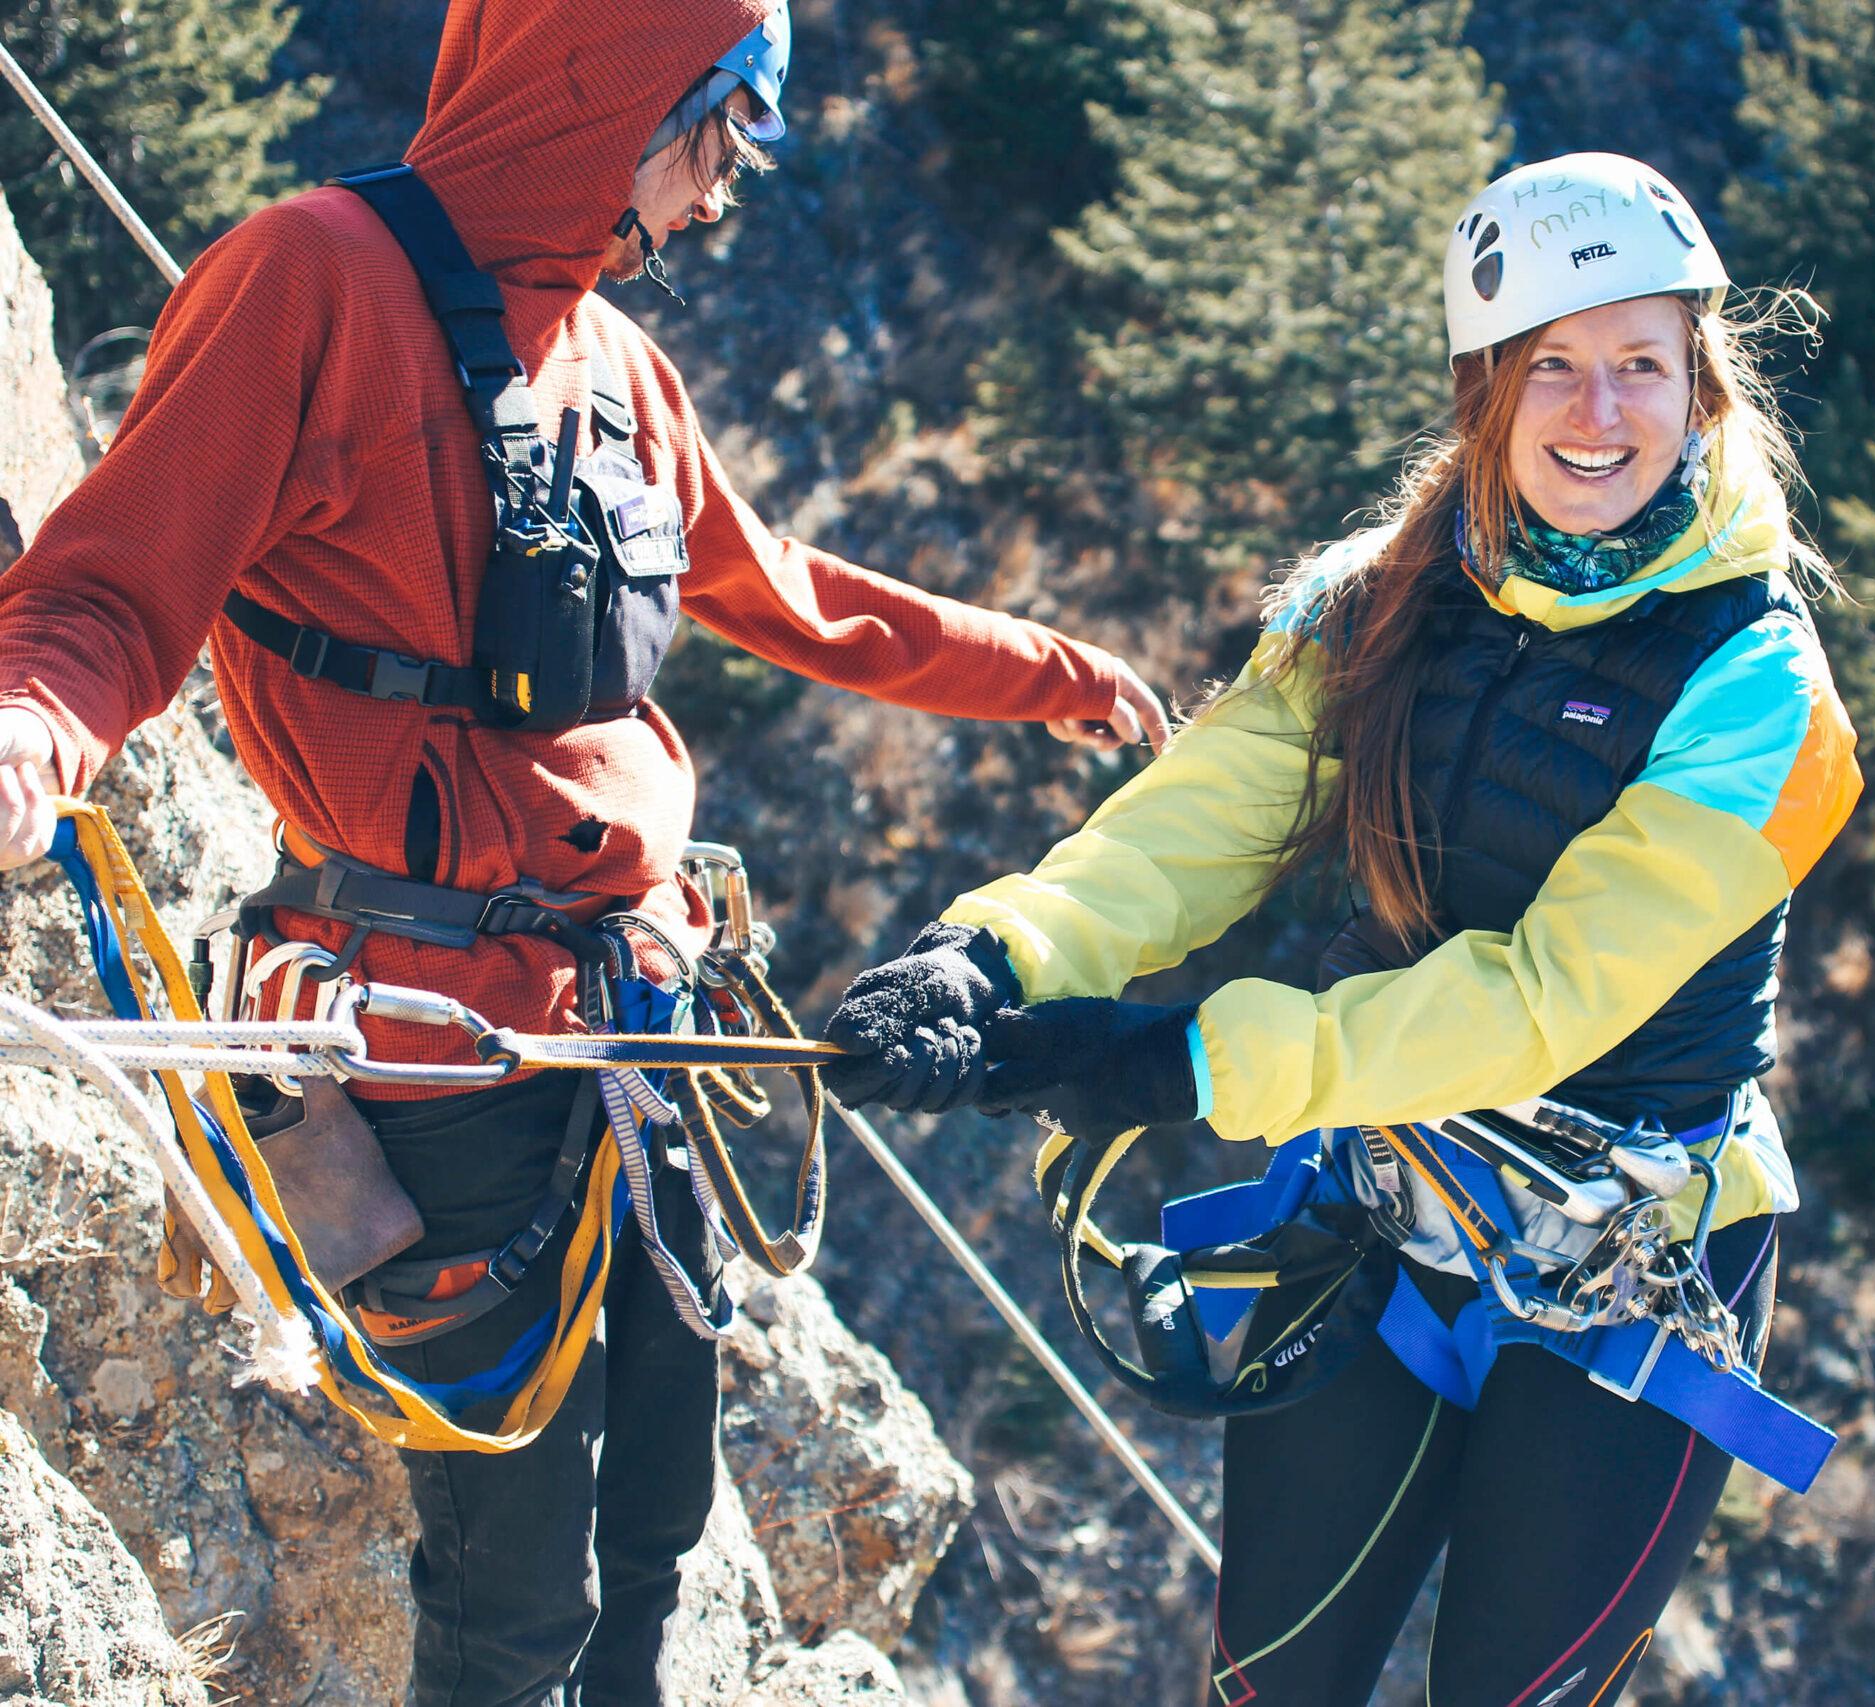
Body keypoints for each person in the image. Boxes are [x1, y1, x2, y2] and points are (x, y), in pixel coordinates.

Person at [0, 2, 1165, 1701]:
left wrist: (1047, 674)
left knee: (657, 1530)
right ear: (617, 95)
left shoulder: (610, 365)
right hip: (433, 1047)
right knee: (514, 1576)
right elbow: (110, 589)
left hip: (638, 1018)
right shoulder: (307, 284)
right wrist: (32, 736)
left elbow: (788, 593)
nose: (723, 196)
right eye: (726, 138)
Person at [822, 152, 1862, 1705]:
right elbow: (1192, 828)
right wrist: (998, 958)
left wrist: (1182, 1061)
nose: (1600, 412)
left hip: (1639, 1270)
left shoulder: (1763, 693)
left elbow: (1541, 1006)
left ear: (1701, 387)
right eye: (1554, 369)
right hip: (1393, 1208)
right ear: (1485, 395)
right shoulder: (1374, 602)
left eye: (1643, 364)